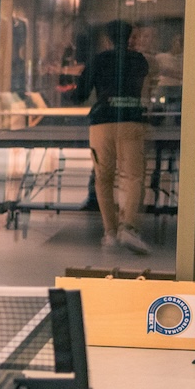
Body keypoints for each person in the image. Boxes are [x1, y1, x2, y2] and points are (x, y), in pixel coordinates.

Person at [71, 19, 151, 254]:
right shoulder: (140, 61)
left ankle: (110, 233)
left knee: (103, 178)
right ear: (130, 37)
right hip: (131, 121)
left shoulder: (98, 60)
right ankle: (129, 227)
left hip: (102, 123)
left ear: (107, 39)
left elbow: (79, 95)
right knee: (133, 177)